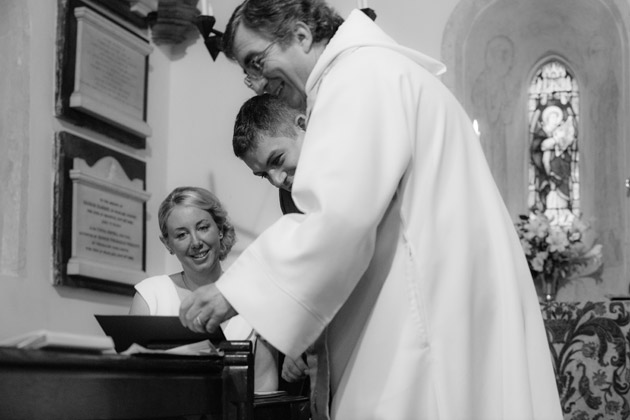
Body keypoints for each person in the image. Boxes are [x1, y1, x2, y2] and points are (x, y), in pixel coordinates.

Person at [180, 1, 563, 419]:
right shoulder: (382, 72)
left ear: (301, 35)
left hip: (420, 323)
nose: (253, 82)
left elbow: (338, 218)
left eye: (256, 61)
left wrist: (237, 290)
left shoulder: (359, 78)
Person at [131, 186, 278, 393]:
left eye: (202, 228)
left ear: (220, 229)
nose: (196, 242)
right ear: (167, 244)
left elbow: (264, 388)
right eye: (181, 235)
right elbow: (132, 381)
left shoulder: (253, 294)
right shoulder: (150, 295)